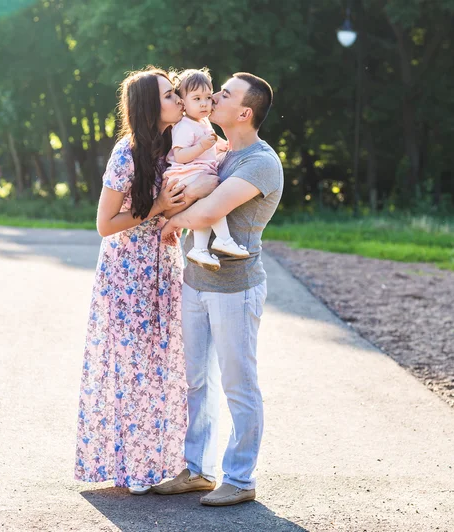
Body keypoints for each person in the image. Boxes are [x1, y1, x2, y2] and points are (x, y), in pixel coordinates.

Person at [73, 67, 218, 495]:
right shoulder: (127, 152)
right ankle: (133, 469)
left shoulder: (173, 148)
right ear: (150, 106)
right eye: (170, 95)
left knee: (163, 368)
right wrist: (156, 206)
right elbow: (104, 224)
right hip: (128, 275)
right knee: (133, 370)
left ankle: (166, 464)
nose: (178, 99)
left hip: (165, 267)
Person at [153, 72, 284, 506]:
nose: (213, 97)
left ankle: (241, 478)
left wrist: (172, 219)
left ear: (244, 112)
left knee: (237, 384)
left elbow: (207, 210)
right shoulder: (221, 151)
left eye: (224, 94)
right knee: (195, 382)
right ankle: (196, 470)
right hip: (196, 282)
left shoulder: (260, 162)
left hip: (235, 289)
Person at [164, 68, 248, 271]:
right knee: (212, 200)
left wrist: (221, 145)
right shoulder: (184, 126)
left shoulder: (203, 122)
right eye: (196, 98)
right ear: (182, 102)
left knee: (206, 205)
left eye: (208, 97)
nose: (204, 103)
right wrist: (201, 146)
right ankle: (223, 238)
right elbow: (180, 156)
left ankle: (200, 249)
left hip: (197, 173)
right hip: (185, 175)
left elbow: (212, 140)